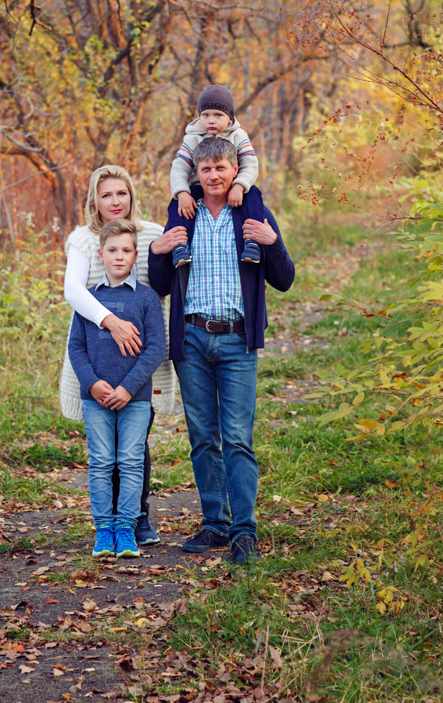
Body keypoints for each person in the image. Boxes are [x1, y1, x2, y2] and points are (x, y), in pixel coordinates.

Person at [148, 136, 295, 564]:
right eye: (205, 169)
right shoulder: (182, 213)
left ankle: (243, 530)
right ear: (195, 173)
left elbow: (284, 279)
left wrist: (272, 241)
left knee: (236, 437)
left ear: (235, 171)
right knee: (202, 437)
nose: (213, 176)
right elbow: (160, 284)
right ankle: (214, 522)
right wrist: (158, 253)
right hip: (191, 339)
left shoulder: (251, 212)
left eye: (221, 169)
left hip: (236, 340)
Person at [59, 164, 176, 546]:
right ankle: (106, 524)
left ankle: (136, 518)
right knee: (103, 451)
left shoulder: (151, 234)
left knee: (135, 446)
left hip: (140, 364)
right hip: (98, 358)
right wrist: (111, 322)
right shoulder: (83, 239)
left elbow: (163, 284)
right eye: (106, 194)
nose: (114, 201)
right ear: (95, 198)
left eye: (121, 193)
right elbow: (74, 292)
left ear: (131, 196)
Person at [68, 220, 166, 559]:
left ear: (135, 255)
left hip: (135, 398)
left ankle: (126, 529)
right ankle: (104, 530)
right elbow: (76, 348)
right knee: (101, 462)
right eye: (112, 250)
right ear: (101, 254)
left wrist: (127, 388)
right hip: (95, 398)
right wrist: (92, 383)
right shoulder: (89, 300)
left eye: (126, 250)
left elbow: (156, 348)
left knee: (130, 461)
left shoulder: (147, 298)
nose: (119, 256)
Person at [168, 84, 264, 267]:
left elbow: (250, 164)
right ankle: (180, 246)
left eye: (218, 115)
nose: (211, 120)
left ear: (230, 118)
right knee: (177, 205)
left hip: (233, 186)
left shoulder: (238, 135)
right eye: (205, 115)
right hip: (199, 188)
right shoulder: (192, 138)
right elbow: (179, 167)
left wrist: (239, 185)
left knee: (253, 195)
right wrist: (182, 193)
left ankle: (252, 242)